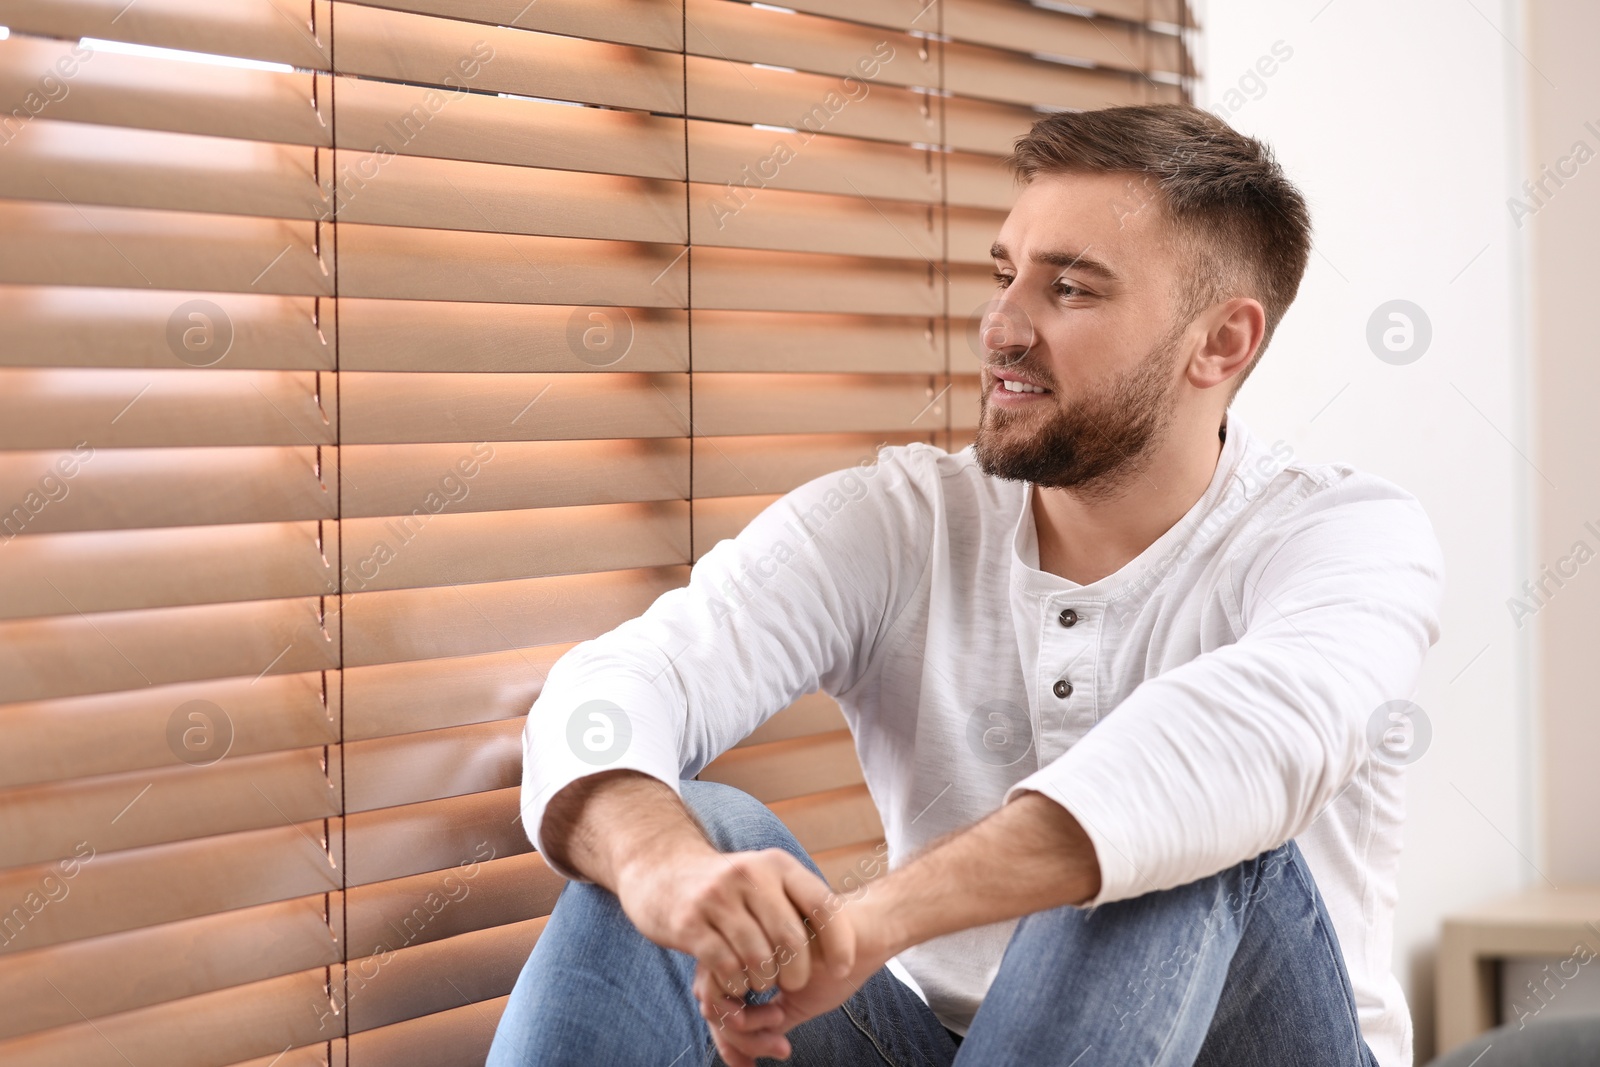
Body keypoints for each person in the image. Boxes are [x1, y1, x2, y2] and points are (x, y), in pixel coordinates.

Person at [488, 102, 1445, 1067]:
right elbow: (623, 681)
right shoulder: (903, 519)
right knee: (685, 824)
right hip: (953, 1046)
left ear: (1221, 344)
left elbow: (1233, 747)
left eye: (1069, 288)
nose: (1001, 325)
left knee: (1179, 840)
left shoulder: (1345, 534)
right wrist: (660, 864)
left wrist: (870, 924)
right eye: (1004, 273)